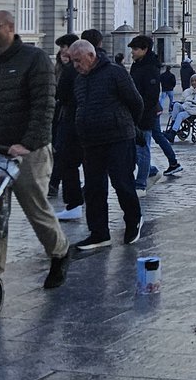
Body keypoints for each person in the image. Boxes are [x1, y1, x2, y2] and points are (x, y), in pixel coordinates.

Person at [0, 10, 69, 290]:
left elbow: (44, 105)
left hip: (29, 151)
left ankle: (59, 252)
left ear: (9, 27)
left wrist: (28, 143)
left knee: (35, 207)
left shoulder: (35, 59)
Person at [69, 40, 143, 250]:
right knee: (93, 188)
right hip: (91, 141)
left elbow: (136, 102)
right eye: (73, 61)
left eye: (78, 60)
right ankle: (99, 233)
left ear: (91, 56)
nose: (75, 65)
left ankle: (134, 220)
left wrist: (126, 124)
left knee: (122, 183)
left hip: (118, 137)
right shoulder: (79, 80)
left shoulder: (115, 73)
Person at [129, 36, 181, 184]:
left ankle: (141, 183)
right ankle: (152, 170)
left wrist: (140, 112)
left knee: (143, 146)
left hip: (146, 113)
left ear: (145, 49)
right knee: (141, 144)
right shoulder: (136, 65)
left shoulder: (150, 67)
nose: (132, 52)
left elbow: (151, 95)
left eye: (135, 49)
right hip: (138, 112)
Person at [50, 34, 84, 221]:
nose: (62, 50)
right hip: (77, 120)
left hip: (71, 120)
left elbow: (61, 94)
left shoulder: (71, 70)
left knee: (67, 161)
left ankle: (74, 203)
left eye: (64, 46)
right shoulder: (75, 67)